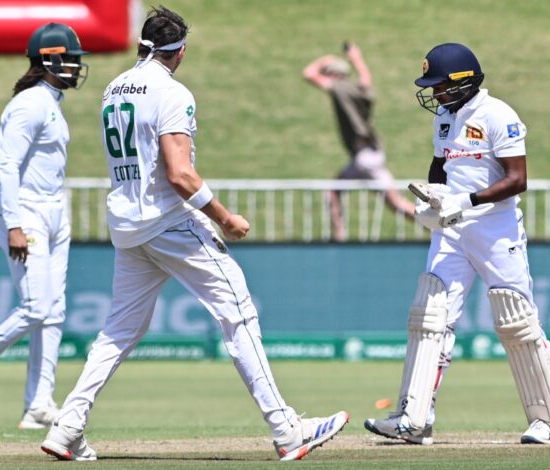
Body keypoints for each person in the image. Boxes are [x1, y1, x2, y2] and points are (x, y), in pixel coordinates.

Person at [39, 6, 348, 461]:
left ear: (143, 45)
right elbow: (180, 173)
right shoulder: (171, 92)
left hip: (127, 224)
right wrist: (225, 218)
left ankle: (67, 427)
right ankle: (287, 429)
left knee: (118, 332)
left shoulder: (113, 87)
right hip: (169, 222)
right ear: (179, 51)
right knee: (239, 313)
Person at [363, 43, 550, 445]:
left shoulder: (498, 115)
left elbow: (518, 179)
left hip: (495, 229)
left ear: (464, 82)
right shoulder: (444, 116)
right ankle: (414, 418)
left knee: (516, 320)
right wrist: (434, 200)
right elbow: (440, 165)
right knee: (430, 316)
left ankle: (547, 420)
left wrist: (466, 201)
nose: (435, 94)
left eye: (440, 86)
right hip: (452, 229)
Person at [0, 23, 89, 429]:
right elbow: (5, 166)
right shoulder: (29, 104)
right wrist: (14, 224)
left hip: (53, 211)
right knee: (36, 306)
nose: (77, 67)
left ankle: (39, 403)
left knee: (54, 310)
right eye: (71, 60)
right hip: (25, 211)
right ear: (50, 60)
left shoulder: (51, 102)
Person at [303, 42, 414, 241]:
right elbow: (366, 79)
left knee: (333, 192)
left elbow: (309, 74)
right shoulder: (358, 89)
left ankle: (339, 239)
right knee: (396, 203)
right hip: (374, 154)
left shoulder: (339, 89)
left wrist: (325, 59)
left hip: (364, 158)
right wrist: (356, 58)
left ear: (332, 74)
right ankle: (436, 226)